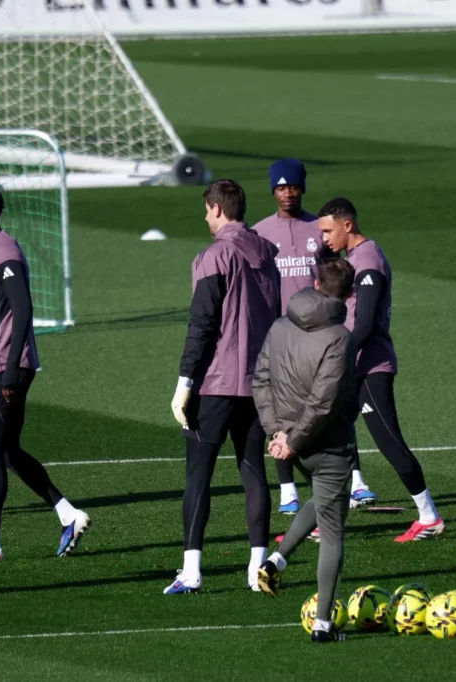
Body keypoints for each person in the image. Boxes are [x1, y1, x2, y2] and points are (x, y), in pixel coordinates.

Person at [0, 183, 90, 563]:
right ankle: (68, 514)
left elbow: (23, 310)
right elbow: (0, 319)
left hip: (4, 370)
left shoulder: (4, 253)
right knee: (6, 450)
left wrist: (8, 370)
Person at [165, 179, 279, 594]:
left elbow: (202, 325)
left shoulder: (215, 256)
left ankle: (192, 571)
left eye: (207, 211)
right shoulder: (268, 257)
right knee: (253, 471)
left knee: (199, 474)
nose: (206, 218)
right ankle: (256, 570)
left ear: (216, 209)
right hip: (259, 383)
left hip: (215, 383)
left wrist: (184, 383)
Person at [252, 159, 375, 514]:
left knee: (332, 408)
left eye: (293, 187)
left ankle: (356, 481)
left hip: (322, 337)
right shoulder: (261, 232)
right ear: (273, 190)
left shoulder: (318, 229)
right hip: (284, 335)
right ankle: (288, 490)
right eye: (280, 188)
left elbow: (339, 276)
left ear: (302, 189)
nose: (287, 193)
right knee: (283, 409)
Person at [318, 197, 443, 542]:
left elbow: (367, 321)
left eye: (328, 231)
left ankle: (429, 515)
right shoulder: (353, 259)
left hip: (370, 368)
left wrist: (339, 354)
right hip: (355, 366)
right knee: (329, 442)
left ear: (348, 225)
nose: (324, 238)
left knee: (389, 442)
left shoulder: (368, 259)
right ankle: (323, 519)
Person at [251, 259, 358, 644]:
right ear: (350, 294)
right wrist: (292, 438)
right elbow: (323, 403)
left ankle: (277, 559)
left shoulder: (280, 325)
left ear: (315, 284)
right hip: (325, 443)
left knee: (327, 498)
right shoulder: (340, 337)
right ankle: (323, 625)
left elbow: (260, 379)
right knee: (333, 534)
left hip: (292, 445)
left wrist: (276, 433)